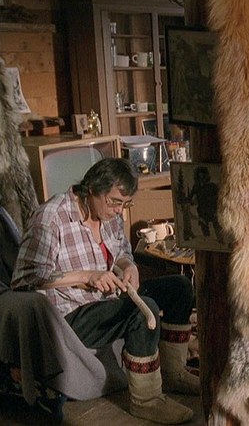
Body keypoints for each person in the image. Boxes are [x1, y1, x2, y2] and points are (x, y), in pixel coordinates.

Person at [11, 158, 198, 424]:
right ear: (91, 189)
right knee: (142, 310)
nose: (119, 211)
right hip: (71, 314)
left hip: (107, 299)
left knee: (180, 288)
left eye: (125, 204)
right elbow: (25, 278)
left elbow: (121, 252)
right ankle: (146, 400)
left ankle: (173, 372)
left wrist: (128, 266)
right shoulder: (51, 217)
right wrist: (85, 276)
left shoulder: (109, 215)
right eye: (114, 202)